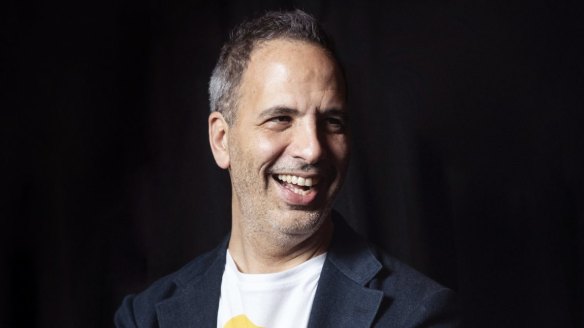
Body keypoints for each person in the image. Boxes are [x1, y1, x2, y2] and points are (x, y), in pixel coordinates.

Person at [115, 9, 459, 328]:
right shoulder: (144, 317)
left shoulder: (417, 315)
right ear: (222, 139)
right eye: (281, 119)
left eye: (332, 122)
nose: (312, 149)